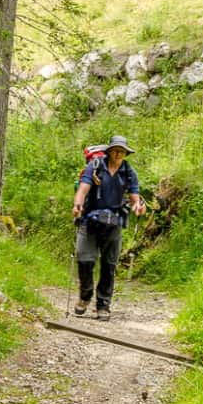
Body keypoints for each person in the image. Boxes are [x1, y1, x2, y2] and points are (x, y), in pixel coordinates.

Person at [71, 134, 145, 321]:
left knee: (109, 265)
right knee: (84, 260)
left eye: (122, 151)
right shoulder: (95, 167)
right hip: (90, 221)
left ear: (126, 153)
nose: (118, 153)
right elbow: (83, 189)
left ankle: (103, 305)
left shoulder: (129, 172)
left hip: (114, 223)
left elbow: (135, 197)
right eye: (115, 150)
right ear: (109, 151)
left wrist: (138, 207)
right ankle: (85, 296)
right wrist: (77, 205)